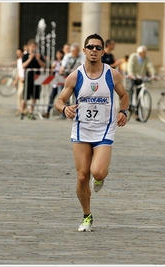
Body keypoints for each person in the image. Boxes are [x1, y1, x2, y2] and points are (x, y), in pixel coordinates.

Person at [54, 33, 129, 232]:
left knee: (98, 172)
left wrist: (124, 111)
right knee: (81, 177)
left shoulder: (112, 75)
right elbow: (58, 101)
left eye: (98, 47)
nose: (94, 50)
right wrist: (64, 109)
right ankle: (87, 216)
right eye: (90, 47)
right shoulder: (75, 76)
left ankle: (99, 176)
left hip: (104, 129)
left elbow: (124, 95)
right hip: (81, 130)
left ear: (103, 51)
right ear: (85, 50)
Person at [127, 45, 156, 121]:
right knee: (131, 87)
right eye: (144, 53)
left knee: (140, 94)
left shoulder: (146, 58)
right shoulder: (133, 56)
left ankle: (137, 113)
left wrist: (153, 74)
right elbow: (130, 65)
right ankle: (129, 104)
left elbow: (150, 65)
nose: (145, 54)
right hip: (133, 76)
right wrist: (130, 73)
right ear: (140, 53)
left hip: (141, 77)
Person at [21, 39, 46, 120]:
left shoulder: (39, 55)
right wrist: (30, 59)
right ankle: (22, 111)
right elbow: (23, 66)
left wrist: (38, 59)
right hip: (28, 78)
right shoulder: (25, 55)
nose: (34, 48)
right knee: (25, 96)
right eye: (33, 46)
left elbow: (44, 66)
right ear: (29, 47)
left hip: (37, 78)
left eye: (35, 46)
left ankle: (31, 112)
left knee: (34, 97)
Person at [43, 49, 65, 118]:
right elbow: (51, 73)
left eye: (59, 54)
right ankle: (48, 111)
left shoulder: (64, 62)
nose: (58, 55)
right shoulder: (55, 62)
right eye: (57, 54)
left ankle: (63, 112)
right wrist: (52, 68)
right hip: (55, 82)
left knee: (62, 98)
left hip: (62, 82)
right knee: (51, 96)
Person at [13, 48, 26, 116]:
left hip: (24, 80)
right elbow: (19, 71)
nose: (18, 54)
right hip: (20, 80)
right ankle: (21, 109)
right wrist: (16, 80)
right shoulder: (18, 61)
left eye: (19, 53)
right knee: (20, 95)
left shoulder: (24, 60)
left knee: (22, 95)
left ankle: (23, 109)